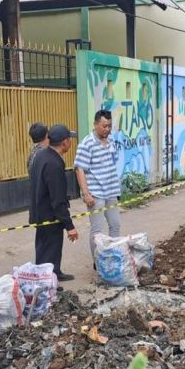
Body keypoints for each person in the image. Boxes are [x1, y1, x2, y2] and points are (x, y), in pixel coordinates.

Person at [29, 125, 79, 282]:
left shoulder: (41, 155)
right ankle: (47, 285)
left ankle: (54, 273)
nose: (71, 142)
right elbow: (57, 199)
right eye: (69, 139)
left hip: (39, 212)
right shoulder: (54, 164)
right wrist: (69, 226)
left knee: (46, 248)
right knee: (49, 250)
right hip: (49, 215)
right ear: (64, 143)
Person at [74, 109, 121, 263]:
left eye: (109, 126)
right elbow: (79, 169)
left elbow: (112, 162)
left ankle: (113, 258)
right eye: (104, 126)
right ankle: (98, 263)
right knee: (97, 230)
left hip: (111, 191)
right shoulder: (87, 144)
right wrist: (86, 194)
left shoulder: (111, 140)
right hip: (96, 194)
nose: (107, 129)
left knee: (115, 225)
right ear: (95, 124)